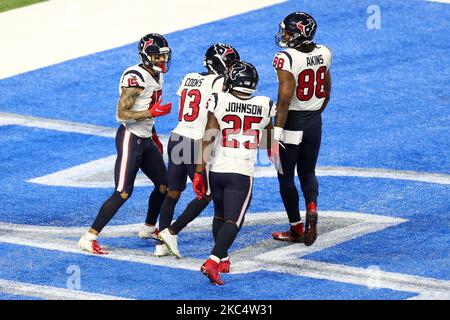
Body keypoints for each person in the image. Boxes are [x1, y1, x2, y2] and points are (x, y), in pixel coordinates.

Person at [78, 33, 172, 254]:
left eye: (164, 55)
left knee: (163, 186)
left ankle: (149, 228)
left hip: (146, 138)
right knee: (123, 192)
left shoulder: (156, 75)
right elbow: (121, 114)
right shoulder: (135, 76)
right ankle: (89, 237)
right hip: (131, 137)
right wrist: (152, 112)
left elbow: (147, 114)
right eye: (157, 56)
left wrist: (154, 136)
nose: (161, 60)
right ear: (146, 56)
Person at [193, 61, 276, 285]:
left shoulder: (220, 99)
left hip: (217, 169)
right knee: (233, 221)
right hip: (241, 172)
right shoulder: (265, 103)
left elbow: (208, 137)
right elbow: (267, 142)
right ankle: (212, 260)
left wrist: (199, 171)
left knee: (220, 215)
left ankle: (223, 257)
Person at [156, 44, 240, 259]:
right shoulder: (220, 82)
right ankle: (171, 232)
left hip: (177, 137)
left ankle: (162, 242)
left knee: (173, 192)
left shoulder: (189, 77)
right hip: (195, 141)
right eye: (229, 63)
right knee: (206, 194)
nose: (232, 68)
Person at [271, 12, 332, 246]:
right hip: (314, 120)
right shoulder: (324, 52)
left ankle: (296, 227)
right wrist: (314, 113)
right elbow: (327, 89)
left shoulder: (285, 57)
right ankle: (312, 208)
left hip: (292, 123)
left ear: (297, 34)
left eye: (287, 31)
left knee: (285, 177)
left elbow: (284, 99)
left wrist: (276, 133)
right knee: (308, 172)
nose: (284, 35)